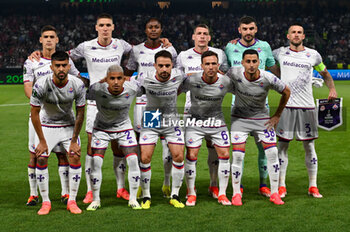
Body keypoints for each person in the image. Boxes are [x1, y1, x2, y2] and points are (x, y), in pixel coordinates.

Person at [273, 23, 337, 198]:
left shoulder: (313, 55)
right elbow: (263, 57)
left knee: (309, 146)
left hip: (307, 106)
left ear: (303, 36)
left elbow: (325, 73)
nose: (296, 35)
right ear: (288, 36)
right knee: (282, 146)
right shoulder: (279, 52)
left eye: (299, 32)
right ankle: (281, 185)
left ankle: (313, 185)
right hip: (286, 106)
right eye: (293, 32)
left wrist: (332, 89)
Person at [23, 25, 80, 206]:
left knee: (63, 155)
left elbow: (77, 81)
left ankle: (65, 193)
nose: (48, 39)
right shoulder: (31, 62)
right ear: (40, 40)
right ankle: (33, 194)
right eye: (45, 36)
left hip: (64, 117)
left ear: (57, 40)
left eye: (52, 36)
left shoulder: (65, 61)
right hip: (39, 116)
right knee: (36, 154)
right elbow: (27, 88)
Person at [225, 16, 280, 197]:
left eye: (251, 28)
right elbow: (225, 73)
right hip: (238, 108)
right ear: (239, 30)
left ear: (256, 29)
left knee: (264, 149)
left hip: (260, 107)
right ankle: (237, 187)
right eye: (244, 29)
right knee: (238, 151)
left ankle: (263, 184)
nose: (248, 32)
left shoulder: (264, 46)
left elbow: (273, 70)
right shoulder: (230, 47)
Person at [227, 49, 290, 206]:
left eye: (254, 61)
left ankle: (274, 193)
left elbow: (287, 92)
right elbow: (219, 84)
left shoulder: (268, 77)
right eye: (248, 61)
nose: (251, 65)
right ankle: (236, 194)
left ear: (259, 62)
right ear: (242, 63)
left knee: (273, 152)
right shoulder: (233, 73)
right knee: (238, 156)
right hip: (239, 118)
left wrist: (277, 116)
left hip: (262, 119)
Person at [125, 18, 178, 198]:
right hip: (144, 103)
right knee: (144, 147)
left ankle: (167, 183)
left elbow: (176, 75)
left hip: (165, 104)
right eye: (150, 27)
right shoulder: (136, 50)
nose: (153, 30)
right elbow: (128, 73)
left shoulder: (170, 49)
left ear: (161, 29)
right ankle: (141, 185)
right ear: (145, 30)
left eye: (156, 27)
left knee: (168, 146)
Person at [176, 24, 229, 199]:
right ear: (193, 36)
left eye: (206, 34)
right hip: (191, 112)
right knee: (191, 152)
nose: (202, 37)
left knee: (214, 149)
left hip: (214, 113)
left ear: (209, 37)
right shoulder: (183, 56)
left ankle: (214, 185)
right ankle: (191, 190)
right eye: (199, 34)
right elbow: (178, 81)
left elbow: (226, 74)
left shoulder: (219, 53)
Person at [30, 51, 86, 215]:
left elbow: (81, 113)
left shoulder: (77, 84)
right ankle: (46, 202)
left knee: (74, 155)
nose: (61, 69)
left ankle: (72, 201)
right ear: (51, 67)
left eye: (64, 65)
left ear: (69, 66)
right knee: (40, 158)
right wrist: (41, 140)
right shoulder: (41, 84)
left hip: (68, 125)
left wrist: (75, 140)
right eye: (57, 66)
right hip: (47, 125)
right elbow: (34, 113)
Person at [87, 65, 141, 211]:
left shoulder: (132, 88)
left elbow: (147, 89)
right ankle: (96, 200)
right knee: (96, 161)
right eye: (112, 78)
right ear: (107, 79)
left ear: (124, 79)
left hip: (123, 127)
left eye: (119, 78)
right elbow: (85, 93)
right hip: (101, 128)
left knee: (133, 160)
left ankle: (133, 199)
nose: (116, 82)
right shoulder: (97, 89)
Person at [139, 50, 186, 209]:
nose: (164, 69)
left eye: (167, 66)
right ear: (155, 66)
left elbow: (192, 80)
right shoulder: (145, 78)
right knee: (145, 157)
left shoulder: (179, 75)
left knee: (178, 156)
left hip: (171, 118)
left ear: (172, 65)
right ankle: (146, 195)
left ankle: (175, 195)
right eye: (161, 66)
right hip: (151, 117)